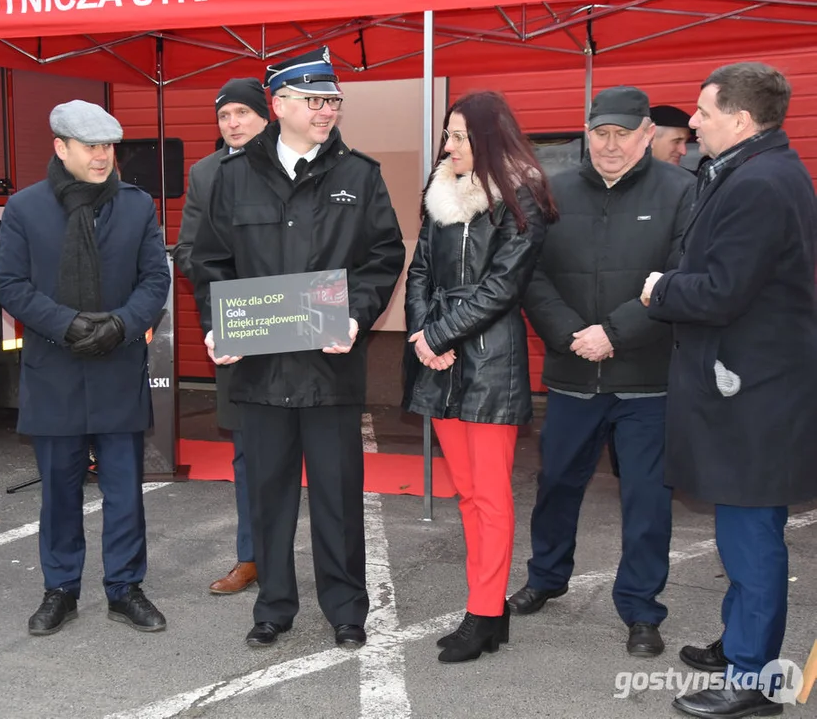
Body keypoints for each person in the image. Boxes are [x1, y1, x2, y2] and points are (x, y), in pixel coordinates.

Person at [190, 46, 405, 649]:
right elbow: (208, 260)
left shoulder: (359, 175)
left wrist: (356, 316)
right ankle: (274, 607)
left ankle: (346, 611)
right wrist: (216, 323)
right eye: (315, 100)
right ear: (279, 104)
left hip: (330, 369)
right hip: (258, 370)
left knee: (337, 496)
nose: (327, 110)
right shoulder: (231, 177)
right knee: (269, 496)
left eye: (333, 100)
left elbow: (383, 256)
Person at [641, 62, 817, 718]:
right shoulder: (759, 171)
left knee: (750, 535)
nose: (691, 121)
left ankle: (751, 678)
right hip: (752, 387)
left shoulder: (759, 184)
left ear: (740, 121)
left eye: (703, 112)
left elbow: (718, 291)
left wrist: (659, 289)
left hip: (754, 394)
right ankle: (739, 642)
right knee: (744, 529)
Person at [511, 86, 696, 658]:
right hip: (572, 374)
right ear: (585, 134)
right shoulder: (550, 192)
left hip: (648, 380)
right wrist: (570, 333)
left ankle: (641, 610)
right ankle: (545, 577)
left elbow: (680, 277)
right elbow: (529, 273)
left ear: (647, 134)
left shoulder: (682, 192)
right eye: (600, 133)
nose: (611, 145)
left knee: (647, 499)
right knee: (558, 484)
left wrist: (612, 333)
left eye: (623, 133)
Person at [0, 100, 171, 637]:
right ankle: (60, 590)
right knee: (60, 491)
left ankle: (125, 589)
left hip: (117, 365)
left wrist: (121, 324)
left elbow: (154, 280)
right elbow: (11, 285)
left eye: (108, 146)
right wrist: (67, 324)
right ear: (60, 147)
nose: (102, 157)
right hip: (56, 368)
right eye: (90, 146)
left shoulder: (136, 207)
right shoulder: (24, 209)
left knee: (123, 490)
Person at [402, 91, 557, 663]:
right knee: (467, 493)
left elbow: (503, 286)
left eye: (460, 136)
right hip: (438, 357)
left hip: (491, 360)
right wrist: (422, 337)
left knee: (489, 496)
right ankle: (486, 612)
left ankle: (485, 612)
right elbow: (419, 269)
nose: (449, 145)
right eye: (449, 135)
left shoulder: (521, 198)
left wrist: (438, 337)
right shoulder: (438, 194)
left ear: (489, 138)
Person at [173, 78, 270, 595]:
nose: (232, 123)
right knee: (247, 451)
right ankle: (251, 557)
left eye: (241, 113)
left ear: (266, 115)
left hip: (298, 327)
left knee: (311, 448)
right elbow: (191, 252)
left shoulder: (296, 163)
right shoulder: (205, 174)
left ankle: (324, 560)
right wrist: (224, 318)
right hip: (238, 326)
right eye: (224, 115)